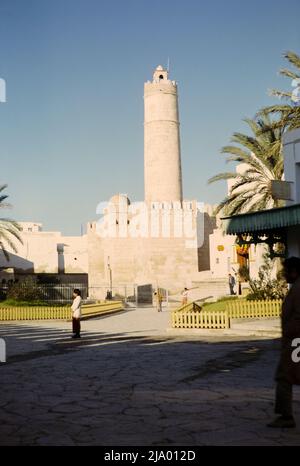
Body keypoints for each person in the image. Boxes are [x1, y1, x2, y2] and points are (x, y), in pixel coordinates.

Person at [267, 257, 300, 428]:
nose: (284, 274)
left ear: (294, 271)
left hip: (296, 342)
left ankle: (286, 416)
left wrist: (289, 334)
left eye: (287, 271)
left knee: (285, 376)